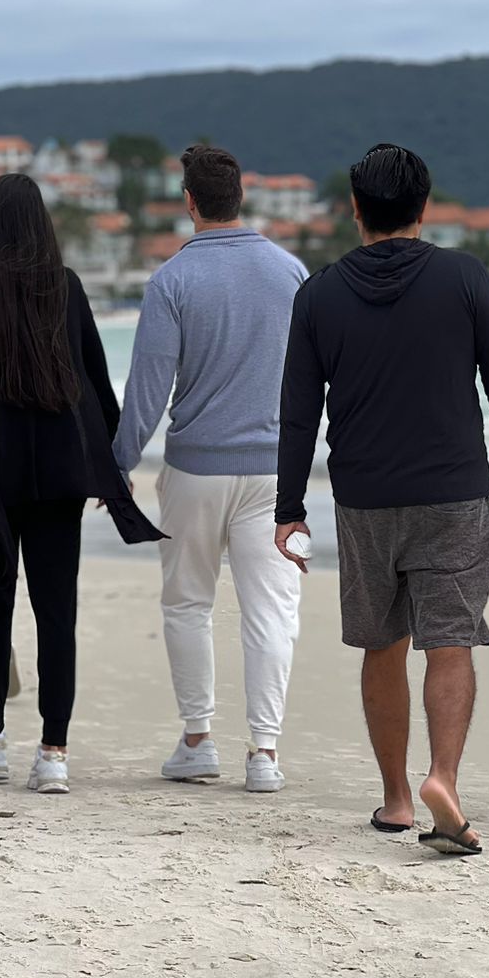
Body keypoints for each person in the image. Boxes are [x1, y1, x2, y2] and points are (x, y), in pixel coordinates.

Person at [275, 144, 489, 856]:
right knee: (450, 642)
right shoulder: (464, 277)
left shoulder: (319, 294)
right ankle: (442, 779)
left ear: (355, 209)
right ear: (424, 208)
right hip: (453, 493)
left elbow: (297, 412)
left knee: (382, 644)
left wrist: (289, 508)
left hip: (363, 498)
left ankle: (395, 799)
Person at [0, 173, 162, 794]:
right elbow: (97, 382)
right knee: (56, 612)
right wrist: (113, 467)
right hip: (58, 478)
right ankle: (53, 754)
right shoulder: (65, 287)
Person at [114, 144, 309, 792]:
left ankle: (197, 740)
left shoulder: (172, 280)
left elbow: (147, 389)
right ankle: (265, 753)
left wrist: (118, 463)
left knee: (187, 604)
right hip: (275, 474)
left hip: (194, 470)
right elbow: (317, 378)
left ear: (189, 202)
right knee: (271, 613)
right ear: (240, 197)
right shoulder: (291, 272)